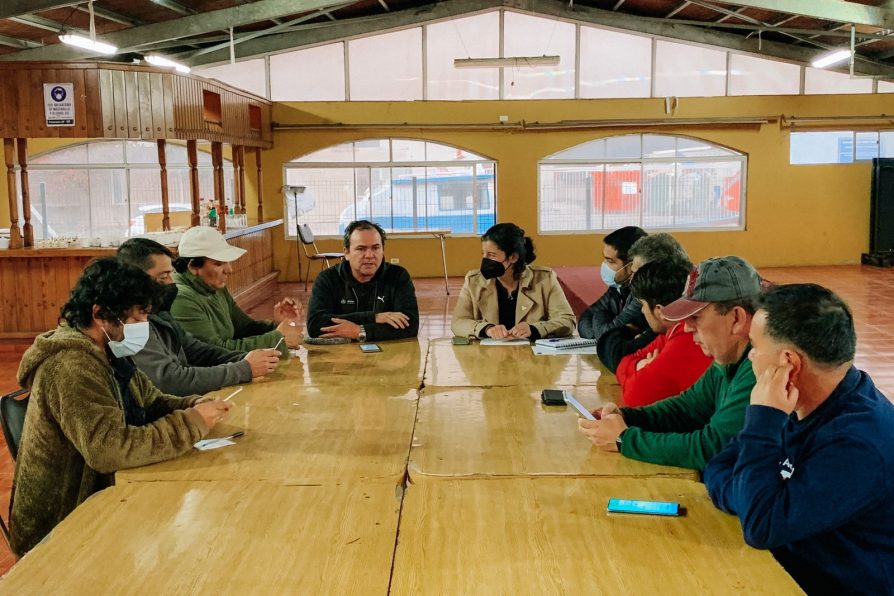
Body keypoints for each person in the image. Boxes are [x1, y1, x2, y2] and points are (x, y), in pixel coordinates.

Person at [9, 258, 232, 556]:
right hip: (62, 524)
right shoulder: (70, 366)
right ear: (100, 314)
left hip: (102, 498)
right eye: (136, 319)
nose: (143, 327)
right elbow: (109, 449)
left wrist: (196, 404)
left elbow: (151, 401)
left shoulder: (109, 350)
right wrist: (190, 423)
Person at [703, 284, 894, 594]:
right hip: (787, 568)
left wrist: (763, 420)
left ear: (789, 362)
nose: (751, 356)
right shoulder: (798, 402)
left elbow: (760, 526)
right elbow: (718, 465)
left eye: (754, 345)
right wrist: (751, 497)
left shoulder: (858, 444)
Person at [578, 256, 762, 471]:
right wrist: (626, 417)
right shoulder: (730, 359)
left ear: (737, 318)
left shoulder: (760, 366)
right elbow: (687, 409)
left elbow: (714, 446)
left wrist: (624, 440)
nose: (687, 327)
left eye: (696, 317)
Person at [118, 238, 280, 396]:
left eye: (170, 275)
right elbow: (169, 380)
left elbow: (195, 350)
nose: (170, 283)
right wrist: (244, 368)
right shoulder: (133, 320)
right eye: (163, 277)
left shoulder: (159, 310)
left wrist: (247, 358)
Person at [170, 226, 301, 355]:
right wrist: (276, 339)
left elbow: (244, 328)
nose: (229, 269)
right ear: (193, 266)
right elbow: (214, 351)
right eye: (218, 263)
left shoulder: (214, 287)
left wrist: (277, 327)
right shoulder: (180, 297)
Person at [614, 260, 713, 407]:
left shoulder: (686, 337)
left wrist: (641, 369)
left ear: (660, 310)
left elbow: (634, 396)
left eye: (643, 305)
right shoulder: (673, 331)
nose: (642, 311)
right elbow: (623, 362)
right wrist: (642, 365)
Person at [452, 223, 575, 340]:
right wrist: (486, 329)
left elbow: (567, 321)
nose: (485, 260)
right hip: (489, 357)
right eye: (483, 254)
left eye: (491, 255)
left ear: (513, 257)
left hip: (532, 359)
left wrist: (535, 329)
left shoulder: (545, 279)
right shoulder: (473, 281)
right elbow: (458, 322)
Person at [305, 220, 419, 341]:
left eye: (376, 248)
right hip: (341, 356)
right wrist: (373, 318)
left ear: (382, 250)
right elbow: (315, 325)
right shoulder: (327, 279)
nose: (369, 255)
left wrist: (360, 331)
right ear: (347, 253)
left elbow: (410, 326)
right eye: (361, 249)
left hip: (386, 356)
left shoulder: (398, 276)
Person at [578, 226, 648, 341]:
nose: (604, 265)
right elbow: (584, 320)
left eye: (610, 261)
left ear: (632, 265)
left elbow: (607, 334)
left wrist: (600, 316)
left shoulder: (643, 293)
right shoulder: (618, 288)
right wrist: (599, 332)